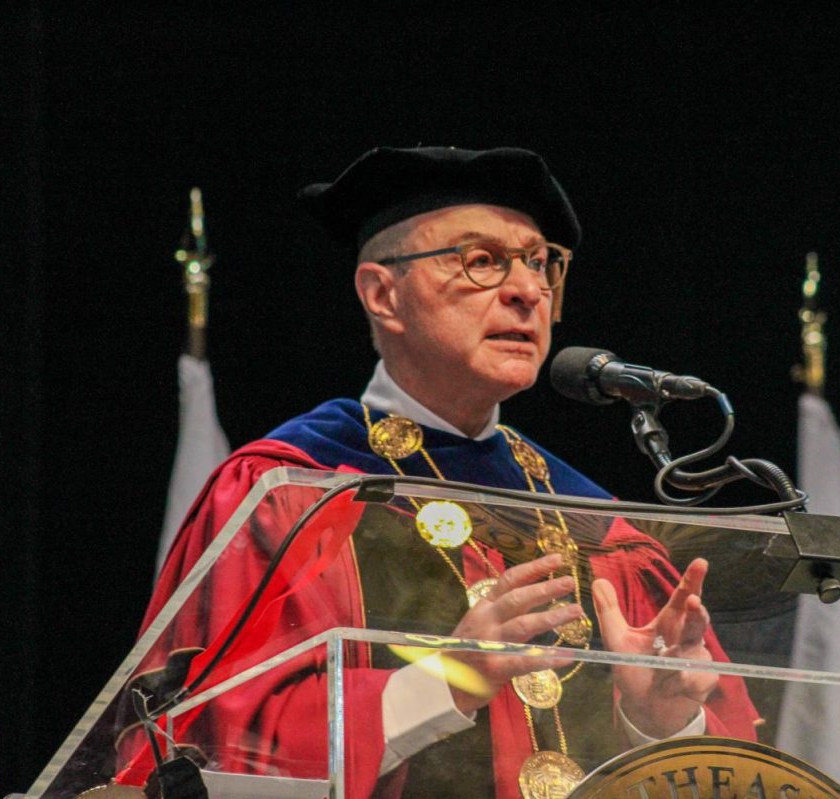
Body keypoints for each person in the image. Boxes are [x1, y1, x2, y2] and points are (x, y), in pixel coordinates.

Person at [125, 146, 758, 799]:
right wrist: (445, 680)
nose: (525, 290)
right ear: (382, 294)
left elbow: (735, 772)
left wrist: (660, 720)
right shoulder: (294, 492)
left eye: (540, 263)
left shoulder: (601, 526)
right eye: (481, 261)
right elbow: (222, 742)